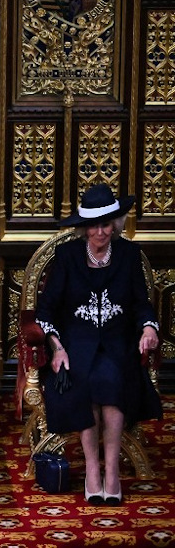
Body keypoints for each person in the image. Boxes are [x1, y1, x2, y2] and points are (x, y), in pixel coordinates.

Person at [36, 183, 162, 505]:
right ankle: (93, 468)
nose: (100, 232)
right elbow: (46, 309)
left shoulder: (129, 255)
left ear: (115, 224)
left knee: (112, 380)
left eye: (106, 224)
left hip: (119, 342)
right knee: (85, 381)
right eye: (93, 225)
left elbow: (141, 304)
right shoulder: (67, 256)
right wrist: (57, 346)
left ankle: (113, 472)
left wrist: (148, 328)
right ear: (84, 227)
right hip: (76, 342)